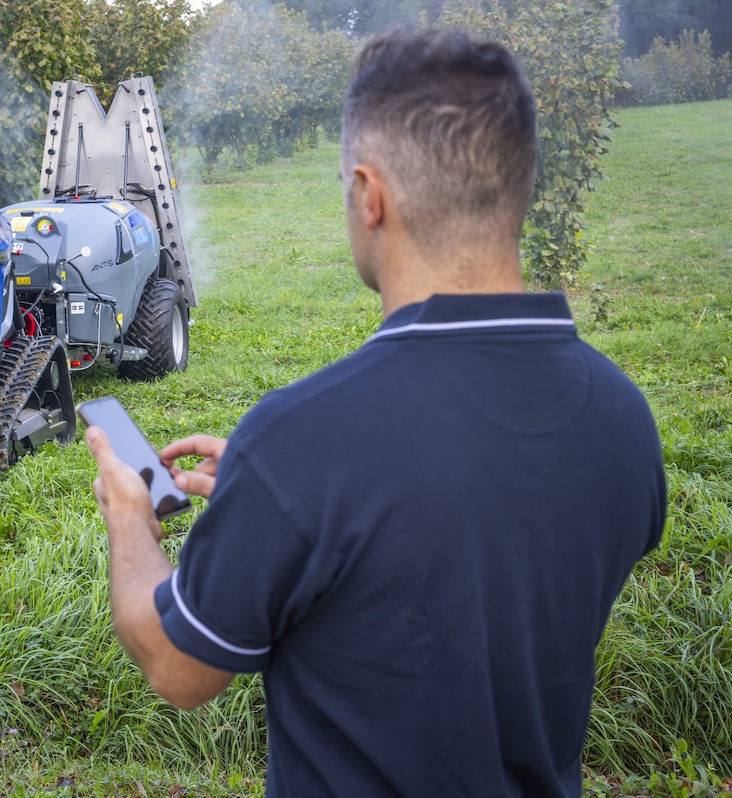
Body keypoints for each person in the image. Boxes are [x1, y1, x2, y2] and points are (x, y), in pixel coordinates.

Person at [84, 27, 667, 798]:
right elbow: (479, 545)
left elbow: (178, 667)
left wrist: (131, 516)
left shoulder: (303, 440)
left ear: (369, 193)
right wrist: (285, 518)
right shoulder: (624, 420)